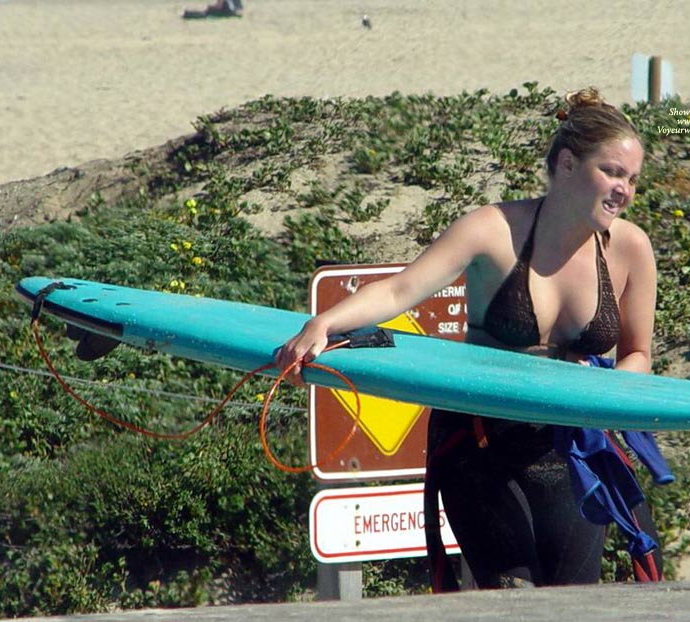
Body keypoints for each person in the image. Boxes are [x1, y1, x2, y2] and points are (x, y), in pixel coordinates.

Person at [275, 87, 661, 589]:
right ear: (567, 164)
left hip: (569, 444)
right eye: (611, 172)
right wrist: (324, 323)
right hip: (481, 439)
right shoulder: (493, 230)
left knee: (575, 598)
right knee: (511, 595)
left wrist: (607, 392)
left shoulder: (630, 248)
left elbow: (638, 353)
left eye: (631, 179)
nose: (623, 190)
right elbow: (400, 288)